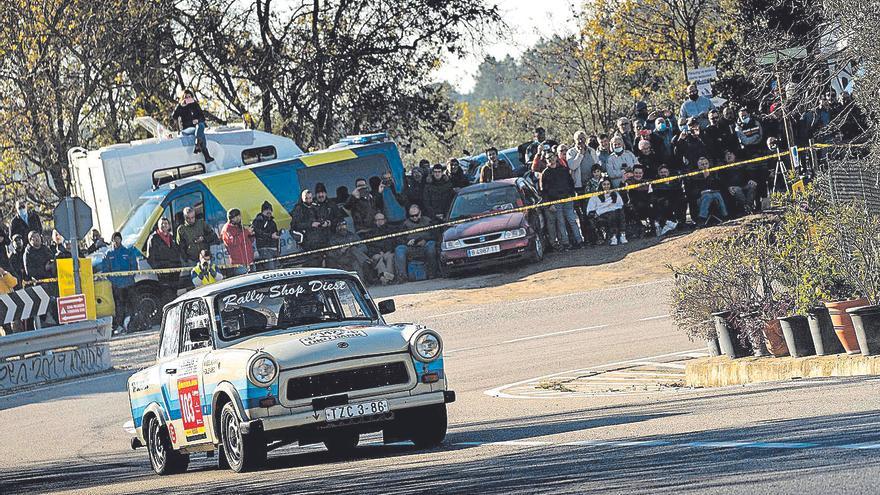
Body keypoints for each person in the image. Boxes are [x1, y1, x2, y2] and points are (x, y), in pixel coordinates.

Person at [540, 151, 583, 250]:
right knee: (561, 223)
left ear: (556, 157)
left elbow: (570, 183)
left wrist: (572, 195)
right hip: (555, 202)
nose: (550, 159)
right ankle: (566, 243)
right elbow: (543, 191)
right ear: (546, 161)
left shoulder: (564, 169)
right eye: (548, 158)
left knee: (572, 221)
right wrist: (549, 204)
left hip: (568, 199)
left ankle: (579, 241)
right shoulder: (545, 173)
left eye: (552, 157)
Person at [101, 232, 141, 333]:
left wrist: (129, 278)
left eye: (118, 239)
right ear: (112, 241)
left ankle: (133, 324)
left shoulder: (127, 252)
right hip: (117, 286)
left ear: (121, 240)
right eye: (115, 239)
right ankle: (119, 325)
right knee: (119, 306)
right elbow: (106, 270)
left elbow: (134, 267)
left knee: (132, 305)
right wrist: (115, 281)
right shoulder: (109, 254)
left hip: (129, 284)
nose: (116, 241)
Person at [394, 204, 438, 280]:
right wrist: (406, 242)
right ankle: (402, 277)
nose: (414, 217)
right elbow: (399, 238)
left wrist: (425, 240)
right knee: (399, 249)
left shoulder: (428, 221)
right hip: (410, 247)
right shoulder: (405, 224)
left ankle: (433, 273)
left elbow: (435, 235)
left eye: (416, 215)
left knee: (431, 245)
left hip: (425, 245)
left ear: (420, 213)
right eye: (412, 216)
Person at [171, 89, 213, 163]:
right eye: (186, 97)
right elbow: (174, 116)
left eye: (189, 97)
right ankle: (206, 154)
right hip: (186, 128)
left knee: (201, 125)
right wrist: (180, 106)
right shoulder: (181, 107)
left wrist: (197, 120)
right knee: (201, 133)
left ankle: (198, 144)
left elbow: (202, 118)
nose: (188, 99)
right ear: (183, 98)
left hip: (196, 127)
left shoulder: (195, 105)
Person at [688, 157, 728, 225]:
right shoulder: (694, 175)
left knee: (717, 194)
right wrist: (701, 192)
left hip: (714, 194)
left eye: (706, 164)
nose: (704, 166)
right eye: (702, 164)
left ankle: (725, 216)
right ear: (698, 165)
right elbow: (692, 191)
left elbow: (718, 186)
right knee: (707, 196)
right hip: (700, 197)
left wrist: (708, 177)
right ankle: (702, 218)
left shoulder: (713, 173)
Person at [586, 178, 626, 245]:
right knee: (612, 214)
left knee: (620, 212)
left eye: (608, 184)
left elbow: (620, 205)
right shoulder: (595, 196)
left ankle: (622, 234)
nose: (606, 186)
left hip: (615, 212)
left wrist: (611, 208)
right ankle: (613, 237)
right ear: (601, 185)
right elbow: (590, 211)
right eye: (604, 184)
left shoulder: (615, 194)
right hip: (601, 215)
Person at [146, 217, 183, 288]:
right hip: (163, 273)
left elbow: (177, 252)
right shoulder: (153, 238)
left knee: (174, 292)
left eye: (166, 223)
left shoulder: (172, 237)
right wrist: (158, 270)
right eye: (161, 223)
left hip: (175, 271)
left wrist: (178, 265)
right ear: (158, 225)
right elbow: (150, 257)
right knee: (166, 293)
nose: (164, 225)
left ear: (169, 225)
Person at [365, 212, 398, 285]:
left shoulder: (390, 230)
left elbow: (393, 242)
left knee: (389, 257)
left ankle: (384, 277)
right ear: (374, 221)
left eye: (381, 219)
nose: (380, 221)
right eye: (378, 220)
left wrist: (387, 251)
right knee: (379, 258)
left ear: (385, 220)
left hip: (388, 251)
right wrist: (379, 251)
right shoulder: (371, 233)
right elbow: (369, 246)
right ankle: (388, 278)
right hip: (376, 253)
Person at [291, 190, 322, 264]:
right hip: (306, 242)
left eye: (310, 198)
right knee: (312, 263)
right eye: (306, 198)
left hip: (318, 240)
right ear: (302, 199)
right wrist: (310, 224)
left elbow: (320, 218)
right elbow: (295, 225)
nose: (308, 200)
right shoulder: (298, 208)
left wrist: (323, 222)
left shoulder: (315, 207)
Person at [722, 150, 758, 215]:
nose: (729, 155)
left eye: (731, 153)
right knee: (737, 190)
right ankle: (747, 207)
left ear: (734, 156)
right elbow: (722, 181)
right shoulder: (723, 168)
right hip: (733, 187)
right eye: (727, 155)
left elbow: (748, 174)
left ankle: (748, 206)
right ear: (725, 159)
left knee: (752, 185)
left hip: (744, 184)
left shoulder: (741, 165)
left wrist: (750, 179)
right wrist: (728, 187)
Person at [221, 208, 255, 275]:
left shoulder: (240, 226)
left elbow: (249, 241)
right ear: (232, 218)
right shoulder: (227, 229)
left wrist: (251, 235)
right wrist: (247, 232)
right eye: (237, 217)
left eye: (239, 216)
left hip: (249, 261)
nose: (239, 218)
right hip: (239, 263)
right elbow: (234, 241)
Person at [624, 165, 655, 236]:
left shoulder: (647, 182)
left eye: (640, 173)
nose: (638, 175)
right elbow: (624, 195)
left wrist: (651, 203)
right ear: (633, 173)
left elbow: (651, 195)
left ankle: (654, 229)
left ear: (643, 173)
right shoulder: (628, 182)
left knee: (653, 207)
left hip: (646, 204)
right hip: (634, 205)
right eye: (636, 173)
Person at [651, 165, 682, 236]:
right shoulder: (656, 182)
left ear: (668, 173)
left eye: (665, 172)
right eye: (661, 172)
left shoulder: (674, 181)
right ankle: (665, 223)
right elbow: (654, 194)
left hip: (674, 201)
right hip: (661, 203)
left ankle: (677, 223)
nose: (663, 174)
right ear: (659, 173)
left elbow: (678, 191)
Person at [566, 131, 597, 196]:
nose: (581, 140)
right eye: (578, 138)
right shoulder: (571, 152)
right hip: (579, 186)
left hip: (592, 183)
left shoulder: (591, 150)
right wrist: (580, 154)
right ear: (575, 140)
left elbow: (596, 165)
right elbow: (572, 166)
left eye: (582, 138)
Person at [252, 201, 280, 270]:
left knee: (276, 268)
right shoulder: (258, 221)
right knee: (271, 269)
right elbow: (258, 233)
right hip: (264, 248)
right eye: (266, 210)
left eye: (270, 210)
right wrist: (271, 236)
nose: (269, 211)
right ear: (262, 211)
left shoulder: (272, 222)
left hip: (274, 248)